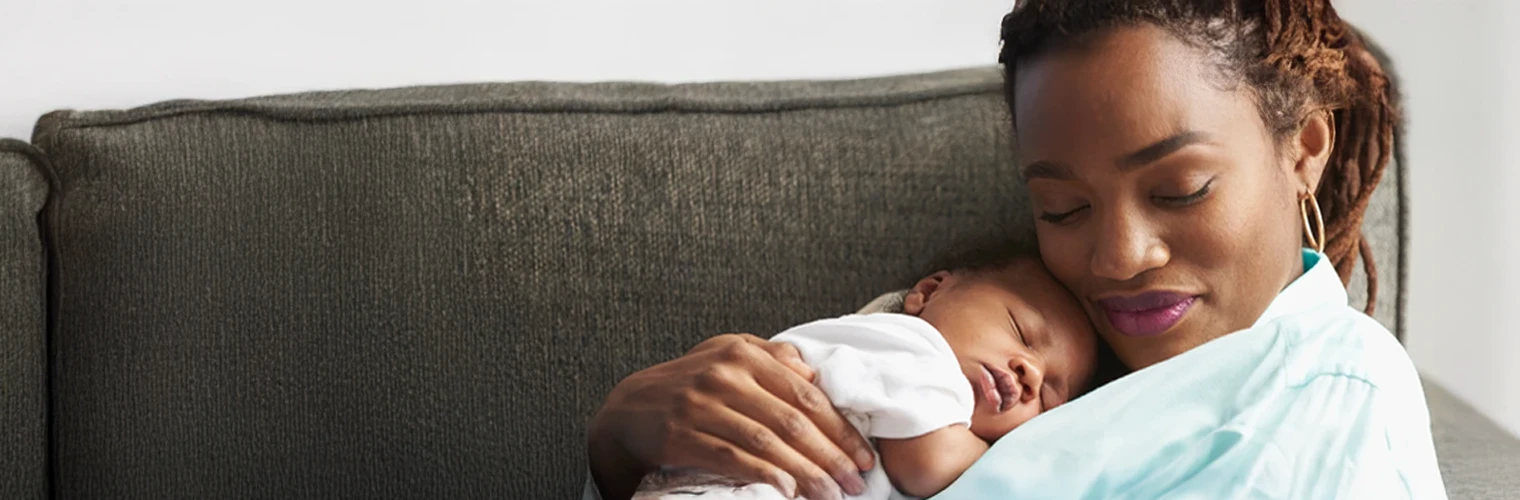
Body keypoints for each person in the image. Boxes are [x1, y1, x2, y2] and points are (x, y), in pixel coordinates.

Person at [585, 1, 1443, 499]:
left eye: (1180, 189)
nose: (1118, 257)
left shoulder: (1326, 394)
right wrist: (625, 438)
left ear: (1305, 149)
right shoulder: (994, 328)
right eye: (1062, 208)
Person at [630, 253, 1100, 499]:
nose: (1030, 371)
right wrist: (1015, 459)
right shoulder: (912, 344)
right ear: (929, 292)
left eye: (1048, 399)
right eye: (1020, 330)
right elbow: (926, 462)